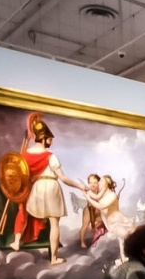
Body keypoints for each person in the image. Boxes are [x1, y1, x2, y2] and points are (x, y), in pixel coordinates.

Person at [11, 112, 88, 264]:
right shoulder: (51, 156)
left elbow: (21, 176)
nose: (51, 142)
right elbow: (63, 178)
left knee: (24, 211)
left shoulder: (24, 156)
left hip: (36, 189)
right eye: (50, 139)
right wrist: (80, 186)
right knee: (54, 224)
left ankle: (17, 241)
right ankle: (53, 258)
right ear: (44, 138)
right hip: (52, 188)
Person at [86, 175, 136, 261]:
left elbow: (101, 206)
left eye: (101, 181)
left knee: (125, 236)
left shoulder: (112, 195)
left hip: (119, 222)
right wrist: (87, 192)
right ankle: (124, 257)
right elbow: (96, 197)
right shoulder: (102, 195)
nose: (99, 182)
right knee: (121, 240)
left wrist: (87, 197)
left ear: (107, 184)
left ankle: (128, 255)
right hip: (111, 224)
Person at [79, 174, 106, 249]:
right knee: (85, 225)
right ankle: (82, 242)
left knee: (102, 221)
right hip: (90, 209)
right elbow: (91, 206)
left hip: (98, 209)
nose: (92, 185)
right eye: (90, 182)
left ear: (98, 183)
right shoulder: (88, 191)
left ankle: (97, 236)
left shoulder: (100, 190)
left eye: (95, 183)